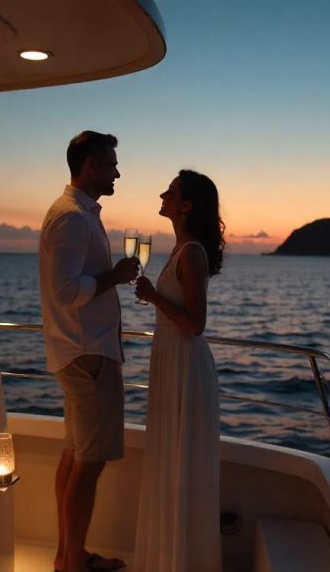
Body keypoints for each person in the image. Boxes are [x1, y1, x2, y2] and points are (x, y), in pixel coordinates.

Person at [39, 131, 139, 572]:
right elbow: (64, 291)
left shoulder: (78, 214)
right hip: (88, 357)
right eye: (112, 163)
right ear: (91, 166)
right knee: (90, 462)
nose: (118, 171)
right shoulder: (73, 218)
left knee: (75, 455)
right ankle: (74, 562)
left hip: (83, 354)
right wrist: (113, 279)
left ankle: (68, 556)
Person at [132, 170, 226, 572]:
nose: (162, 194)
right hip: (171, 360)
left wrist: (152, 295)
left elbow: (195, 323)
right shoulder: (179, 250)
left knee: (182, 463)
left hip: (185, 364)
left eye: (170, 192)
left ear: (186, 206)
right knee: (171, 459)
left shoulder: (191, 254)